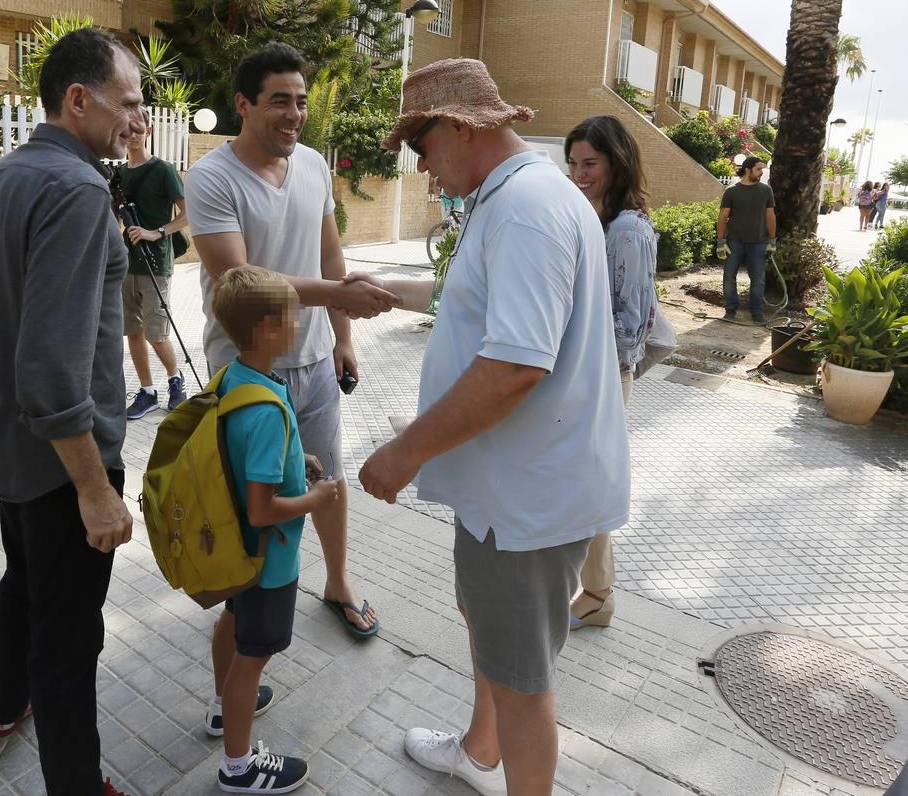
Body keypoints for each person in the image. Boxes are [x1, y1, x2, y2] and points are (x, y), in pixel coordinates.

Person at [352, 58, 630, 795]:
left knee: (520, 679)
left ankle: (505, 762)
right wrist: (389, 291)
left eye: (421, 146)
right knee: (489, 628)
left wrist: (403, 452)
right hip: (505, 490)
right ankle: (480, 753)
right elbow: (477, 308)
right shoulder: (509, 199)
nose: (420, 167)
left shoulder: (526, 208)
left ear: (459, 127)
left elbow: (514, 366)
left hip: (526, 502)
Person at [0, 28, 138, 796]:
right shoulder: (76, 189)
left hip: (9, 443)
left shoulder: (3, 175)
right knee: (69, 638)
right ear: (78, 100)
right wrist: (95, 489)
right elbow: (51, 364)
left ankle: (2, 710)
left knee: (22, 579)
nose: (137, 117)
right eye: (128, 102)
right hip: (64, 459)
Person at [186, 42, 399, 639]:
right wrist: (337, 295)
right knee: (252, 498)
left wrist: (343, 337)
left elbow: (332, 255)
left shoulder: (312, 164)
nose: (294, 114)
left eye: (301, 102)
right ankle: (241, 602)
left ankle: (337, 582)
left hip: (313, 364)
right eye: (280, 101)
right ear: (243, 105)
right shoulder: (211, 178)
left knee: (329, 479)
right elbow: (240, 283)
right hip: (249, 371)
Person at [206, 265, 339, 793]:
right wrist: (317, 497)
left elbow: (249, 461)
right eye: (290, 317)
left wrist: (294, 457)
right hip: (268, 559)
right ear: (265, 330)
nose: (299, 324)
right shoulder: (267, 410)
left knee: (233, 624)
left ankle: (223, 708)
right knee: (253, 658)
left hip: (241, 556)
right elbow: (264, 510)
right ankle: (238, 767)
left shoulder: (239, 380)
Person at [564, 115, 657, 631]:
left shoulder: (625, 230)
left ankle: (597, 594)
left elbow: (630, 325)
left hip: (606, 373)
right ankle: (595, 592)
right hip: (590, 370)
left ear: (616, 164)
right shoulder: (599, 217)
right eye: (573, 162)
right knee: (587, 480)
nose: (578, 173)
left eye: (590, 163)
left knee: (593, 482)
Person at [118, 111, 190, 418]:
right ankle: (147, 392)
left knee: (156, 332)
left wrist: (156, 232)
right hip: (126, 263)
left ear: (148, 130)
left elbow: (189, 214)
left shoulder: (163, 170)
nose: (131, 135)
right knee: (132, 331)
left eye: (137, 129)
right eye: (126, 130)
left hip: (156, 262)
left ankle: (176, 381)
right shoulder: (119, 175)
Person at [716, 156, 776, 324]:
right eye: (758, 169)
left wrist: (772, 239)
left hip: (758, 242)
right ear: (748, 169)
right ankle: (730, 309)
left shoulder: (765, 190)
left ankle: (757, 312)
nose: (761, 172)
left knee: (758, 279)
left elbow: (770, 215)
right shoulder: (732, 191)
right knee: (729, 276)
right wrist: (721, 241)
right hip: (734, 241)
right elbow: (723, 217)